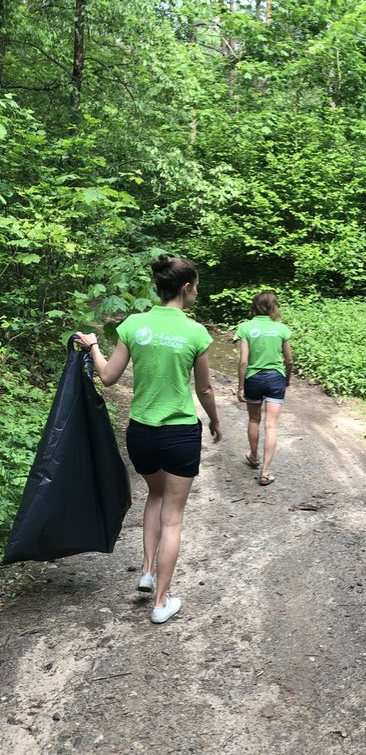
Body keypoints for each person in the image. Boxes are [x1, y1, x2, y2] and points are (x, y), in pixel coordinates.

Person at [75, 255, 222, 624]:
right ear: (187, 288)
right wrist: (216, 421)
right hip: (180, 434)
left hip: (141, 433)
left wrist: (93, 345)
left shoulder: (135, 325)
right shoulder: (196, 332)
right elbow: (204, 389)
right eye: (196, 285)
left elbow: (108, 376)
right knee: (173, 517)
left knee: (155, 495)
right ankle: (161, 602)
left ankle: (145, 570)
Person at [234, 291, 293, 486]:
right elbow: (289, 360)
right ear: (273, 307)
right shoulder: (281, 329)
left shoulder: (245, 328)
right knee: (271, 425)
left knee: (253, 419)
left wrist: (241, 386)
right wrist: (287, 380)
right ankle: (266, 472)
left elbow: (243, 361)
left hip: (253, 378)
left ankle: (253, 456)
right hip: (276, 378)